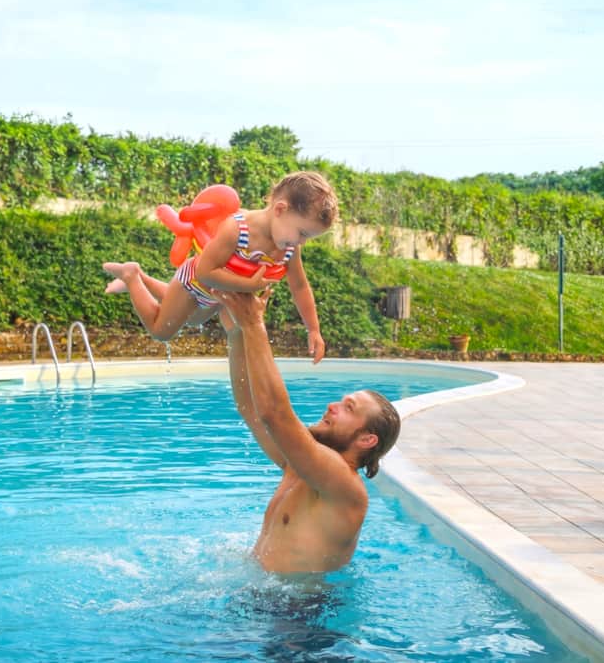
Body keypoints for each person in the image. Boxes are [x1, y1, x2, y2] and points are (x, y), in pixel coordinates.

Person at [217, 288, 401, 573]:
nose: (331, 406)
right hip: (262, 597)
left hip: (298, 613)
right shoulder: (300, 466)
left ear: (367, 439)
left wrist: (254, 323)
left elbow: (274, 415)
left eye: (348, 408)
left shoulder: (345, 486)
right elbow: (252, 410)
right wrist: (237, 333)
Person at [103, 172, 337, 363]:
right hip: (193, 283)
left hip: (217, 296)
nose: (302, 242)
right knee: (162, 331)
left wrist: (313, 329)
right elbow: (205, 272)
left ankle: (142, 279)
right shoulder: (236, 229)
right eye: (302, 233)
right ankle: (132, 276)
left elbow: (299, 287)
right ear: (280, 209)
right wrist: (249, 285)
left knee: (191, 318)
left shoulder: (289, 247)